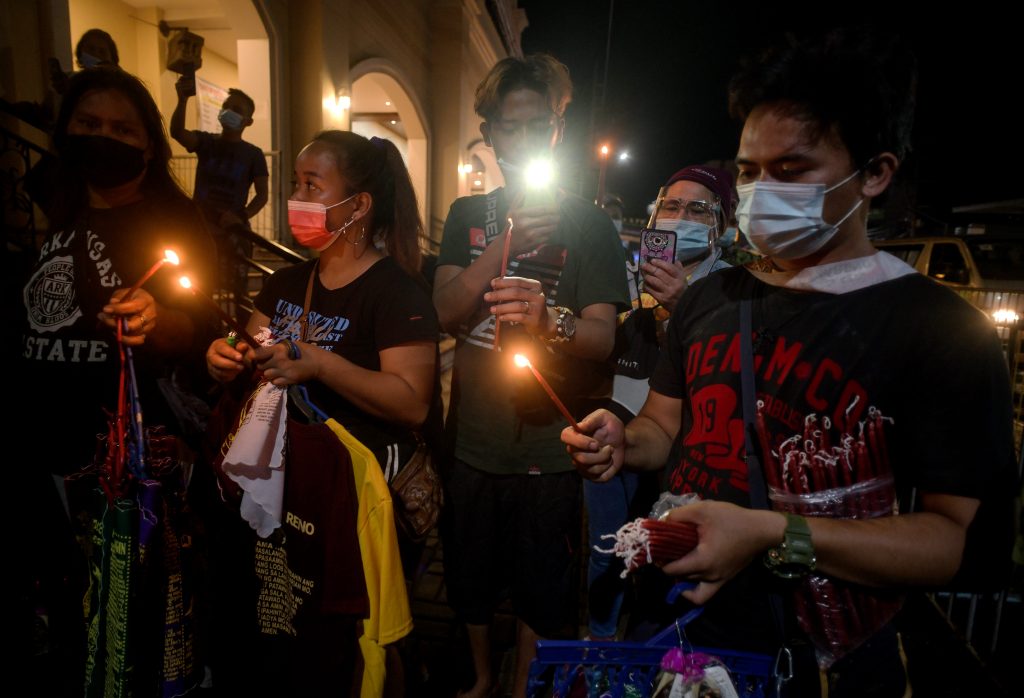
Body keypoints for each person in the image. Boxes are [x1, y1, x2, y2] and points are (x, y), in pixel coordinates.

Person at [562, 28, 1016, 697]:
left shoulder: (942, 331)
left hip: (819, 659)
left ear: (877, 174)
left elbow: (955, 543)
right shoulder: (709, 299)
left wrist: (777, 533)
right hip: (680, 638)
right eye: (748, 172)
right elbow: (665, 429)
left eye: (793, 170)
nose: (761, 192)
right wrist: (621, 441)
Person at [205, 130, 438, 695]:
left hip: (357, 496)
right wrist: (224, 357)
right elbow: (254, 348)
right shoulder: (286, 282)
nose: (296, 198)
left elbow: (411, 401)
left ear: (357, 205)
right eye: (295, 184)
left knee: (357, 629)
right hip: (289, 488)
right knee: (290, 623)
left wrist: (321, 365)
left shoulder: (396, 293)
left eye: (313, 185)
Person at [433, 54, 629, 697]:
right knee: (468, 573)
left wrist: (551, 323)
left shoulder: (591, 223)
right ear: (489, 134)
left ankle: (521, 685)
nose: (520, 140)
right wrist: (506, 245)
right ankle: (480, 680)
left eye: (535, 125)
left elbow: (603, 339)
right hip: (474, 438)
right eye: (506, 128)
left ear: (556, 129)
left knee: (542, 581)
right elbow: (445, 310)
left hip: (552, 438)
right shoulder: (467, 214)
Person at [17, 66, 215, 695]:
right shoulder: (50, 206)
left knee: (129, 623)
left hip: (118, 466)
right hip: (40, 450)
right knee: (67, 619)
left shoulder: (173, 224)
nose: (103, 137)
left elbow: (202, 327)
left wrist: (160, 319)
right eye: (89, 124)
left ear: (148, 144)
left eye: (121, 128)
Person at [585, 165, 736, 642]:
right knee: (606, 548)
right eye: (670, 206)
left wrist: (682, 305)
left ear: (722, 225)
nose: (680, 216)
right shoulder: (631, 278)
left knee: (666, 555)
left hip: (689, 455)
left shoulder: (734, 290)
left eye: (697, 209)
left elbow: (723, 375)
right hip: (625, 430)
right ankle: (602, 636)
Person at [171, 78, 269, 315]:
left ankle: (236, 343)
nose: (229, 112)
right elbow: (177, 132)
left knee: (239, 297)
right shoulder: (207, 142)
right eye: (227, 106)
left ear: (248, 121)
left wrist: (241, 216)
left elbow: (262, 195)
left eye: (237, 110)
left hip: (233, 235)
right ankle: (204, 338)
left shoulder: (253, 154)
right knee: (198, 290)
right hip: (200, 232)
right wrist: (183, 99)